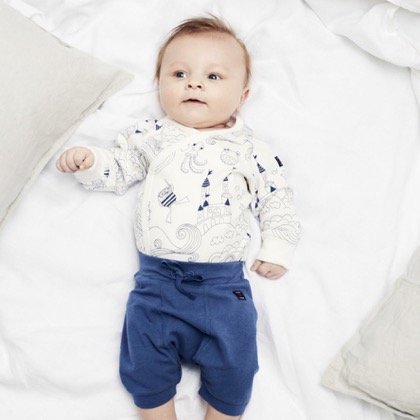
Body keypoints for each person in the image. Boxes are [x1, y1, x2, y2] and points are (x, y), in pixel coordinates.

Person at [56, 15, 301, 420]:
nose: (194, 84)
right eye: (179, 74)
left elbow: (276, 198)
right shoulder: (152, 136)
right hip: (157, 284)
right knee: (143, 363)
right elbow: (120, 168)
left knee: (238, 363)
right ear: (160, 85)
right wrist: (91, 162)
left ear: (242, 96)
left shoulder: (250, 150)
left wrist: (277, 248)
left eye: (213, 76)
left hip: (224, 288)